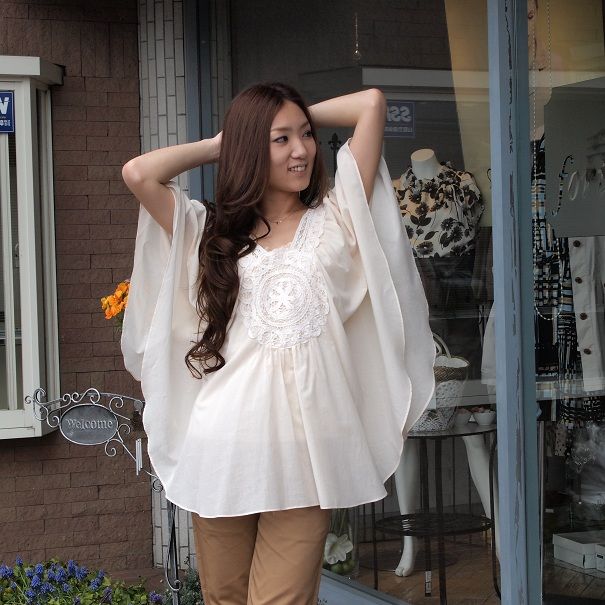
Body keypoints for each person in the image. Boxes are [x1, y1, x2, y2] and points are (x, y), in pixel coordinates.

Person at [120, 82, 435, 605]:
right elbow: (139, 173)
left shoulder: (338, 218)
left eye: (306, 135)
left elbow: (371, 104)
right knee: (224, 598)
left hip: (308, 457)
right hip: (223, 448)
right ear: (250, 149)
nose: (301, 150)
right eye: (281, 139)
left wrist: (287, 116)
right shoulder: (209, 233)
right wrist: (225, 142)